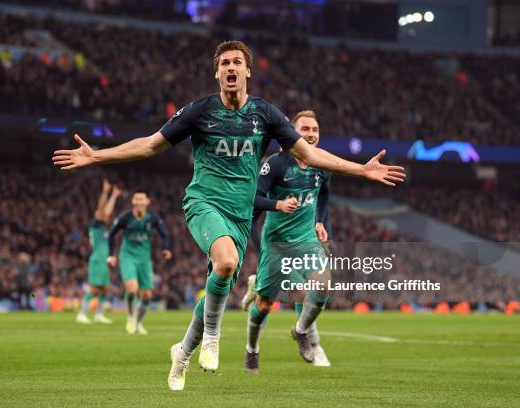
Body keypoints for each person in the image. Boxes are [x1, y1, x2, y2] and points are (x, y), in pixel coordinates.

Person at [52, 40, 405, 391]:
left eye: (237, 62)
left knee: (220, 279)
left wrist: (361, 170)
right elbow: (149, 144)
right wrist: (96, 156)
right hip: (203, 203)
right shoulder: (199, 111)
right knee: (225, 263)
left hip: (239, 216)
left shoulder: (265, 114)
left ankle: (183, 352)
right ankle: (213, 338)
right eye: (225, 63)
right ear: (217, 72)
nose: (231, 68)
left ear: (248, 70)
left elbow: (308, 154)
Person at [242, 110, 332, 375]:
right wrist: (277, 204)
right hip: (277, 243)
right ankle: (252, 349)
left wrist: (320, 221)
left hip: (306, 240)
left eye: (315, 130)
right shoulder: (276, 164)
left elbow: (324, 194)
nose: (311, 134)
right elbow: (253, 199)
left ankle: (301, 330)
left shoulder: (322, 165)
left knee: (321, 285)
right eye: (305, 129)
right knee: (264, 305)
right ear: (292, 134)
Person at [107, 190, 172, 335]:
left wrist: (166, 248)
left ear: (147, 201)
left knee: (147, 295)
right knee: (132, 288)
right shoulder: (125, 217)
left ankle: (138, 322)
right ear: (133, 202)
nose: (140, 201)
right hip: (127, 256)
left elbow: (165, 234)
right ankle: (130, 317)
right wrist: (111, 255)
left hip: (144, 259)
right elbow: (111, 233)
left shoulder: (153, 218)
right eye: (137, 199)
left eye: (142, 198)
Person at [76, 180, 122, 324]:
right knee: (95, 288)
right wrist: (107, 194)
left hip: (104, 260)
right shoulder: (95, 226)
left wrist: (113, 195)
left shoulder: (104, 228)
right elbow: (102, 209)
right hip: (96, 260)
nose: (106, 215)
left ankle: (99, 315)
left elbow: (106, 212)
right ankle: (82, 314)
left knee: (104, 289)